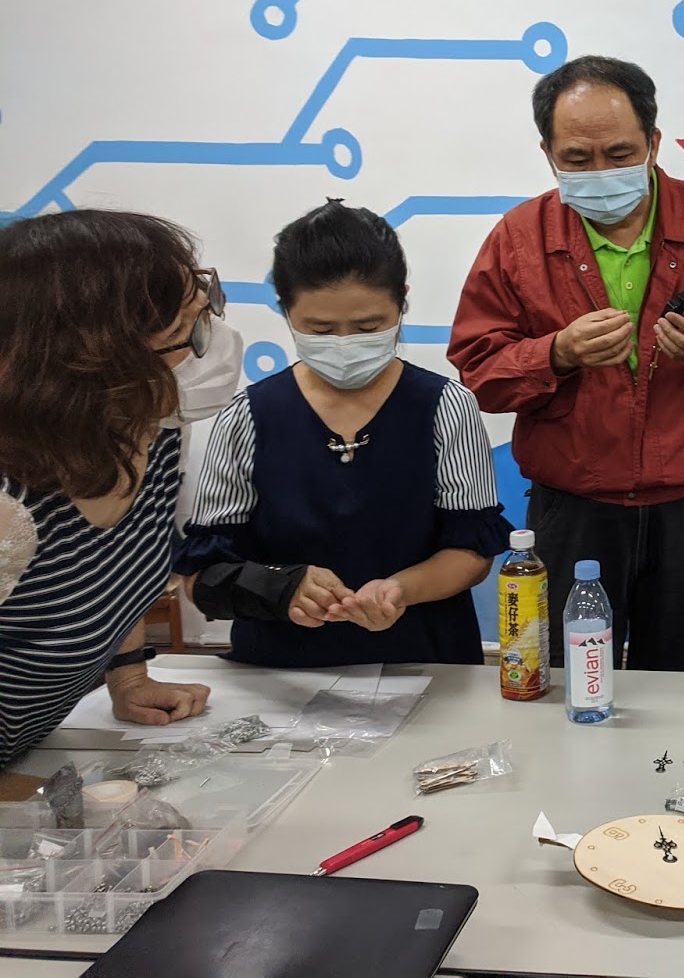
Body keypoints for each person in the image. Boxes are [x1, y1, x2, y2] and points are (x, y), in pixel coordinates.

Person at [449, 57, 684, 672]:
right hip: (572, 504)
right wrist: (556, 353)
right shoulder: (519, 237)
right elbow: (478, 370)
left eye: (620, 154)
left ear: (654, 143)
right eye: (577, 158)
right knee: (565, 679)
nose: (601, 173)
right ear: (548, 154)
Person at [177, 201, 511, 667]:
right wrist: (279, 588)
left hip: (425, 659)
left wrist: (398, 590)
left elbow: (471, 552)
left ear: (402, 301)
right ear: (285, 309)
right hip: (279, 673)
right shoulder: (247, 416)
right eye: (320, 329)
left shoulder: (446, 407)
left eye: (368, 326)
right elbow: (202, 573)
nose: (345, 344)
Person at [0, 210, 242, 765]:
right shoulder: (11, 511)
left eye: (208, 306)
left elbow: (120, 568)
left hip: (33, 747)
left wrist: (129, 676)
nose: (219, 343)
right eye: (191, 333)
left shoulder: (156, 430)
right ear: (91, 368)